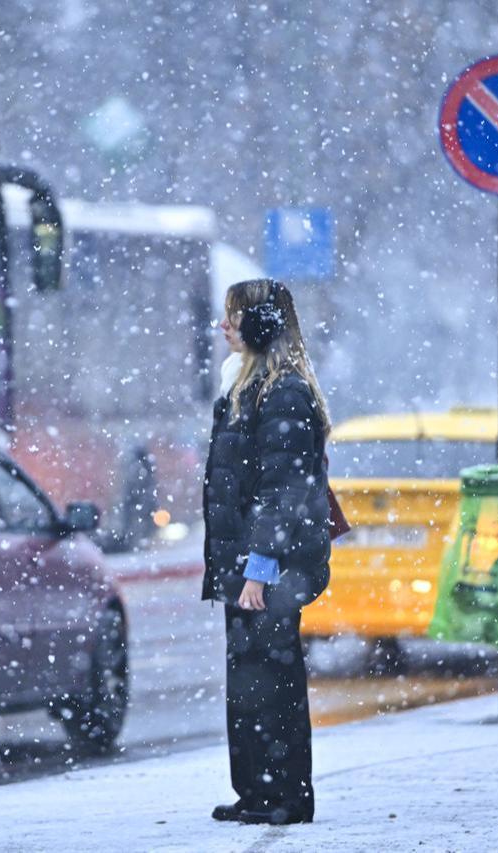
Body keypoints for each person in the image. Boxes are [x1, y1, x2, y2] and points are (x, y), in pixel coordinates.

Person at [203, 278, 332, 826]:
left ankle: (286, 796)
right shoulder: (247, 386)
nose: (223, 327)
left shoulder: (283, 393)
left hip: (272, 569)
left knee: (273, 683)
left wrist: (259, 569)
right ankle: (256, 791)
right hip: (246, 566)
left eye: (232, 317)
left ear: (260, 325)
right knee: (248, 680)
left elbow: (283, 492)